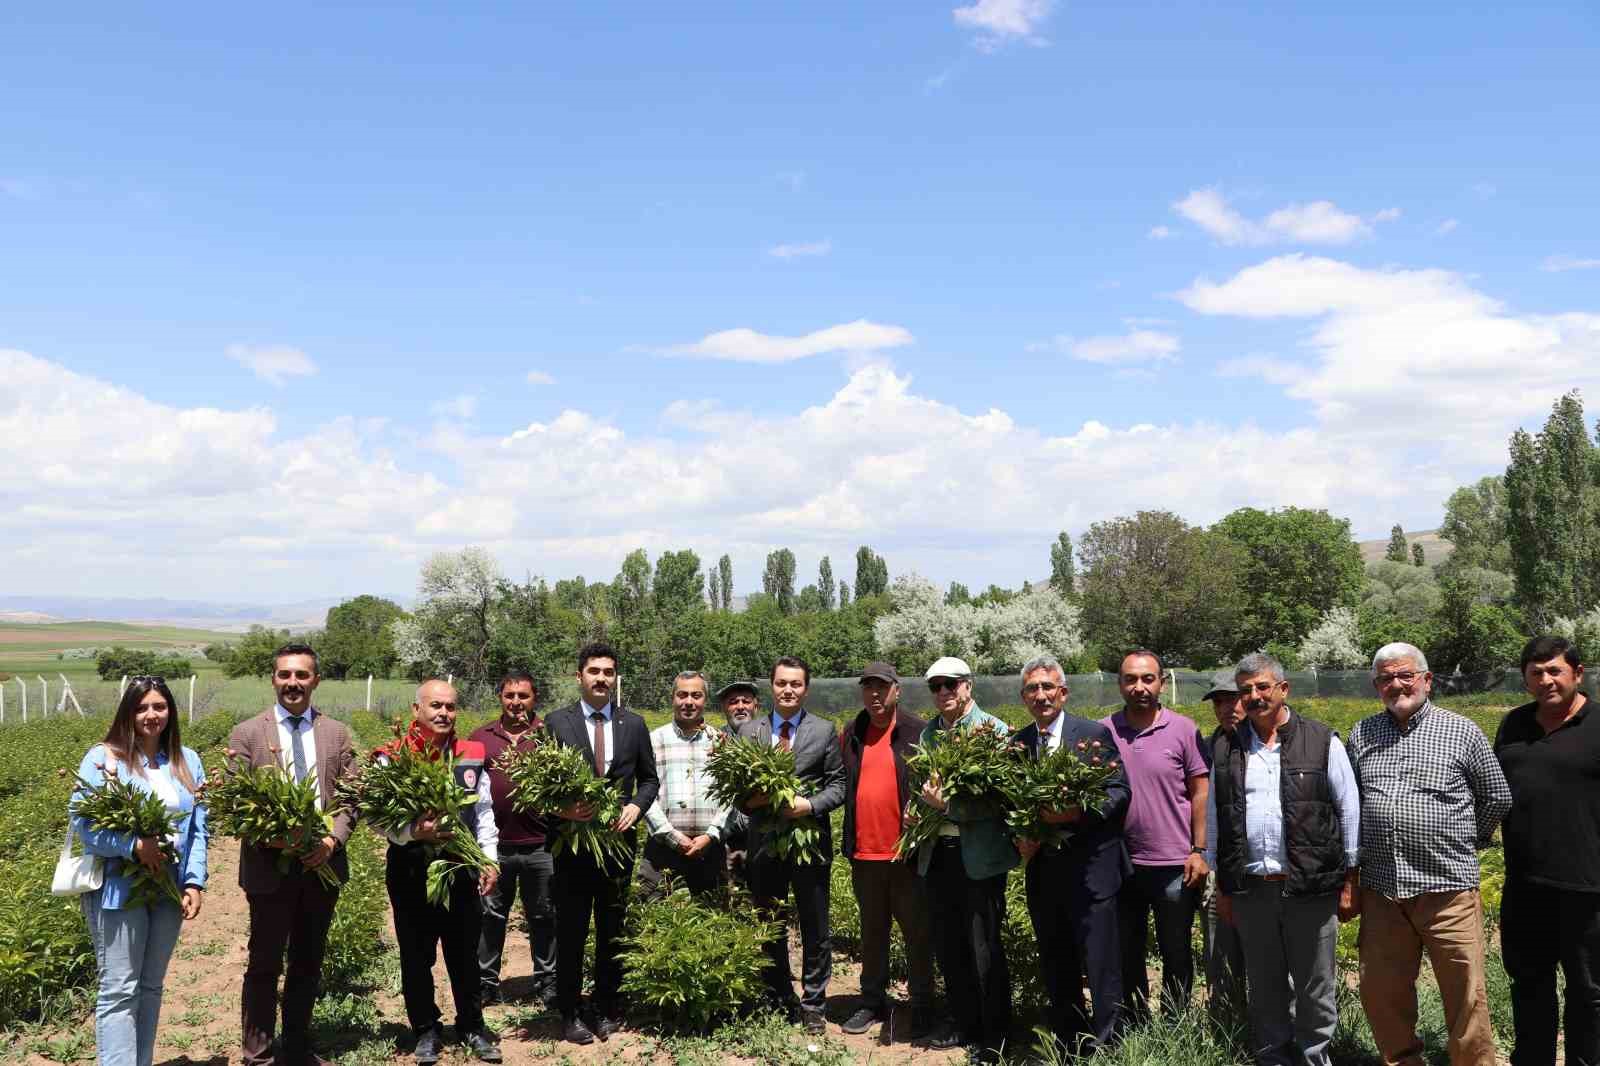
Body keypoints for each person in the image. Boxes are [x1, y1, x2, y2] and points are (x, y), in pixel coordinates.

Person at [1347, 642, 1510, 1066]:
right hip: (1383, 890)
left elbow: (1495, 795)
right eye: (1385, 678)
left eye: (1405, 675)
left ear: (1426, 680)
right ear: (1376, 685)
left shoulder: (1462, 731)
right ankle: (1403, 1060)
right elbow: (1351, 802)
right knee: (1382, 991)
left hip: (1448, 891)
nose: (1396, 685)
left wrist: (1460, 841)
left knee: (1466, 995)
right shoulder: (1362, 734)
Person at [1208, 652, 1360, 1066]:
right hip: (1253, 890)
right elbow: (1216, 821)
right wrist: (1222, 884)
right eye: (1246, 691)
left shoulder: (1321, 740)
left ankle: (1314, 1057)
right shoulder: (1227, 747)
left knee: (1315, 986)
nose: (1254, 697)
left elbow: (1348, 811)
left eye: (1262, 687)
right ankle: (1273, 1057)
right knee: (1265, 983)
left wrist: (1350, 880)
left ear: (1282, 689)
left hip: (1310, 889)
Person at [228, 643, 357, 1066]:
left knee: (307, 960)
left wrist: (330, 841)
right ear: (273, 679)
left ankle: (298, 1047)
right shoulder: (247, 734)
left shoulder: (336, 733)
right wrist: (277, 840)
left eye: (302, 675)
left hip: (322, 865)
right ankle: (258, 1054)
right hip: (269, 867)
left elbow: (351, 799)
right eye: (285, 675)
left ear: (316, 680)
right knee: (264, 963)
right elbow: (234, 803)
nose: (293, 683)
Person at [72, 677, 207, 1066]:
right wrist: (132, 846)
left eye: (159, 707)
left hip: (167, 887)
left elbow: (199, 828)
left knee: (150, 987)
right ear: (128, 712)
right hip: (118, 888)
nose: (151, 715)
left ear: (170, 712)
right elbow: (84, 825)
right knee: (119, 988)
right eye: (142, 707)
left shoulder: (187, 761)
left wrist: (195, 880)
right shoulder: (103, 758)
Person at [1012, 656, 1131, 1055]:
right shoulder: (1020, 744)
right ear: (1024, 697)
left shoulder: (1092, 734)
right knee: (1056, 959)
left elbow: (1118, 792)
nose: (1041, 695)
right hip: (1045, 874)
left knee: (1100, 963)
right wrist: (1021, 836)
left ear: (1063, 692)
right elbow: (1011, 803)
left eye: (1048, 687)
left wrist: (1076, 813)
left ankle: (1109, 1045)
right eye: (1033, 689)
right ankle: (1069, 1041)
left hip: (1092, 870)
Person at [545, 641, 659, 1045]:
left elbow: (649, 779)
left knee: (612, 927)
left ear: (616, 679)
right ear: (579, 677)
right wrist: (564, 811)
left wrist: (636, 808)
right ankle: (571, 1010)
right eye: (594, 671)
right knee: (572, 928)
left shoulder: (634, 724)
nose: (602, 679)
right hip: (572, 848)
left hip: (617, 845)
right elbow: (542, 786)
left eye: (608, 672)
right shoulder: (556, 722)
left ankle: (608, 1006)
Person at [382, 680, 501, 1064]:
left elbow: (483, 811)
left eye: (450, 707)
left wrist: (489, 858)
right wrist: (413, 832)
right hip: (411, 867)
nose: (443, 714)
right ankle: (426, 1030)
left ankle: (471, 1026)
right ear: (416, 709)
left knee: (464, 952)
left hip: (460, 866)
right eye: (435, 706)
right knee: (416, 955)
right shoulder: (391, 756)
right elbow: (378, 819)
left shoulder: (471, 753)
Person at [1494, 635, 1600, 1066]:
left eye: (1555, 670)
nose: (1546, 680)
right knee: (1529, 986)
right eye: (1536, 673)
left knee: (1590, 993)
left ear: (1577, 673)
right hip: (1525, 886)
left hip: (1589, 888)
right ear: (1525, 680)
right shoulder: (1513, 725)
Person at [915, 655, 1018, 1062]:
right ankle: (963, 1022)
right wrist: (919, 810)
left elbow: (1000, 802)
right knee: (950, 944)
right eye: (935, 686)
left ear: (968, 687)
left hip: (980, 857)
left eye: (950, 684)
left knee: (984, 946)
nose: (943, 693)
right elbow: (923, 790)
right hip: (938, 853)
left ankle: (995, 1034)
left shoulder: (993, 731)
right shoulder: (929, 735)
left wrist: (947, 809)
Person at [736, 655, 845, 1035]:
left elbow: (838, 785)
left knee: (815, 924)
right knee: (771, 922)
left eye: (796, 684)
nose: (788, 690)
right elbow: (736, 793)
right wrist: (754, 801)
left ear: (806, 689)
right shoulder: (750, 732)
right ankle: (778, 995)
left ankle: (813, 1003)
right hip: (764, 846)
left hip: (809, 844)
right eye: (782, 683)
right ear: (771, 686)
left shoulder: (825, 730)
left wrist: (810, 805)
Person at [1102, 649, 1210, 1019]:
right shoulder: (1103, 732)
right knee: (1127, 949)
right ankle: (1134, 1020)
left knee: (1176, 949)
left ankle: (1176, 1020)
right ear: (1120, 684)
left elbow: (1200, 791)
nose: (1139, 687)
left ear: (1161, 683)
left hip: (1174, 864)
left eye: (1148, 678)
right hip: (1121, 863)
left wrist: (1199, 849)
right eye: (1131, 679)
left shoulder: (1184, 729)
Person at [836, 661, 934, 1040]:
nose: (874, 694)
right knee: (872, 933)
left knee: (918, 933)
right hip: (865, 854)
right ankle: (872, 1001)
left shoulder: (918, 732)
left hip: (906, 855)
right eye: (868, 688)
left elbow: (935, 788)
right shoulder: (853, 731)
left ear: (897, 690)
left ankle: (923, 1004)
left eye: (882, 687)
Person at [469, 669, 556, 1007]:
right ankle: (486, 983)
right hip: (495, 849)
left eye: (524, 696)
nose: (516, 702)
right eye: (510, 696)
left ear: (535, 699)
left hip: (542, 846)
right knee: (490, 916)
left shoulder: (549, 735)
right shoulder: (480, 738)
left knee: (544, 915)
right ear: (500, 698)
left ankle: (547, 982)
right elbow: (467, 791)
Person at [638, 671, 732, 899]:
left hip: (710, 849)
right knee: (656, 923)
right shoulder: (653, 740)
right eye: (682, 695)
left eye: (696, 695)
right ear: (672, 698)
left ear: (705, 700)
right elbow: (645, 791)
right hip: (662, 850)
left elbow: (730, 795)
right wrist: (671, 836)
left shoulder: (720, 742)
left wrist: (711, 835)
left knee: (711, 925)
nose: (689, 702)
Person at [1198, 670, 1248, 1029]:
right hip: (1223, 869)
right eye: (1219, 701)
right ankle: (1227, 1026)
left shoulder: (1270, 742)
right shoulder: (1210, 744)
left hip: (1268, 871)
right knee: (1220, 949)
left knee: (1271, 957)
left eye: (1233, 698)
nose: (1227, 707)